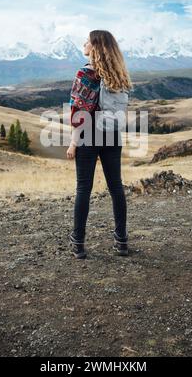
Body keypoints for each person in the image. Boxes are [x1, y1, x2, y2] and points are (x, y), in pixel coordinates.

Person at [66, 30, 133, 259]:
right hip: (112, 134)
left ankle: (78, 243)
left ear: (95, 47)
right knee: (116, 187)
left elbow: (78, 112)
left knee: (84, 187)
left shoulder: (85, 73)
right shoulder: (119, 75)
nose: (84, 43)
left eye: (87, 40)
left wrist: (74, 143)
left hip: (89, 133)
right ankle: (121, 241)